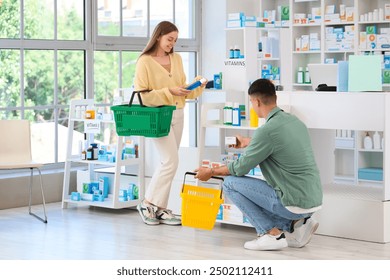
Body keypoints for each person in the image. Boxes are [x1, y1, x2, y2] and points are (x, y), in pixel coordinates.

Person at [195, 78, 323, 250]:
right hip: (312, 199)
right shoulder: (294, 122)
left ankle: (270, 234)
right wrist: (249, 142)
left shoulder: (267, 131)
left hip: (293, 203)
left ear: (256, 101)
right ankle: (297, 224)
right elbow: (277, 142)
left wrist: (210, 172)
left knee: (231, 184)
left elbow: (239, 168)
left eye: (251, 102)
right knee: (263, 190)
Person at [133, 21, 206, 226]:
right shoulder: (144, 62)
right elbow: (143, 97)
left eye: (175, 40)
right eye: (169, 39)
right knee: (170, 161)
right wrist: (169, 92)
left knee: (169, 162)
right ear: (158, 36)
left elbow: (183, 90)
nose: (172, 43)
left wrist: (197, 85)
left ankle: (159, 209)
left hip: (178, 113)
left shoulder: (177, 58)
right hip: (158, 116)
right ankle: (147, 203)